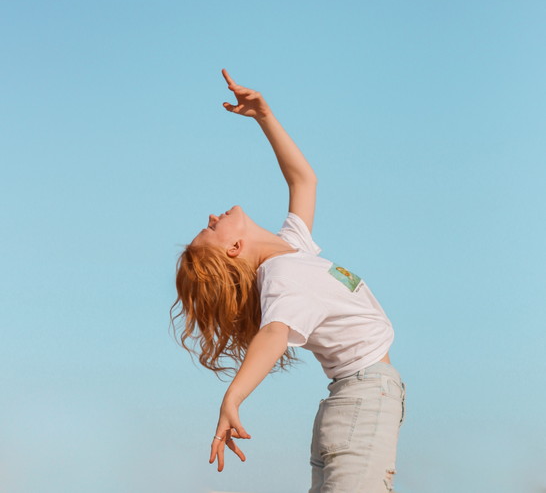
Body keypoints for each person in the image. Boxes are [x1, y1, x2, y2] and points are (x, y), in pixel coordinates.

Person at [170, 69, 406, 492]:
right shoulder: (282, 276)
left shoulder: (292, 250)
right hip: (362, 399)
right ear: (234, 249)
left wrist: (264, 117)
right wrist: (233, 397)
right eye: (209, 229)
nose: (211, 217)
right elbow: (274, 333)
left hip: (352, 401)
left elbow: (303, 180)